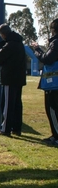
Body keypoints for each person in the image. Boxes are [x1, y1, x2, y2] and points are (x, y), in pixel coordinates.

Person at [0, 23, 27, 137]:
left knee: (7, 104)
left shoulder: (10, 44)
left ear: (3, 34)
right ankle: (16, 128)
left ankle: (6, 129)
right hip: (19, 78)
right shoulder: (19, 43)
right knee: (17, 104)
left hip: (10, 78)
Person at [31, 18, 58, 146]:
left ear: (53, 30)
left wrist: (37, 50)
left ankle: (56, 136)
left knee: (52, 109)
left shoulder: (56, 43)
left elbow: (47, 59)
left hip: (54, 85)